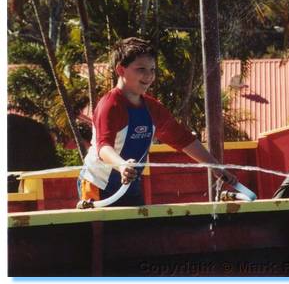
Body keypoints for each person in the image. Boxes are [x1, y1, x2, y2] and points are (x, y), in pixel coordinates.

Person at [78, 37, 237, 206]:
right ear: (121, 70)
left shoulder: (152, 109)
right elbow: (104, 147)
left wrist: (215, 167)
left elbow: (184, 139)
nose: (148, 76)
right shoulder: (110, 105)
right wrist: (122, 165)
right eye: (141, 69)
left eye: (152, 69)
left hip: (130, 186)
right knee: (105, 233)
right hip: (97, 186)